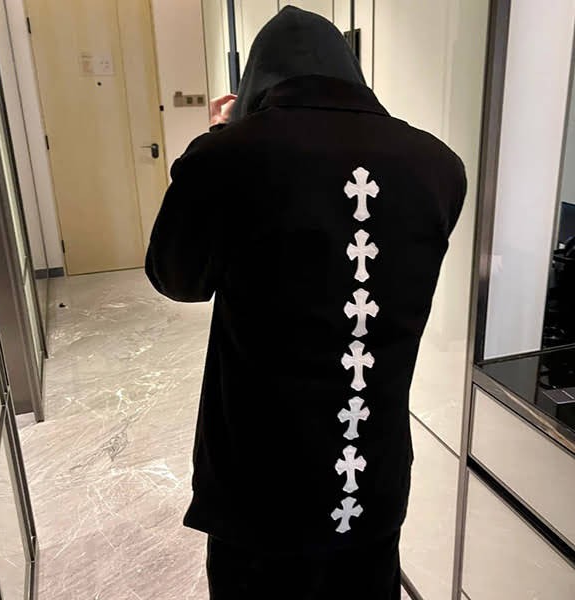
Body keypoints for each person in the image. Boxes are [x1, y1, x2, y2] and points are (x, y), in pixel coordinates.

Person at [145, 6, 466, 600]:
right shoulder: (440, 164)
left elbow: (178, 277)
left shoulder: (224, 157)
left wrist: (217, 140)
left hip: (262, 478)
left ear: (257, 81)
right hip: (370, 467)